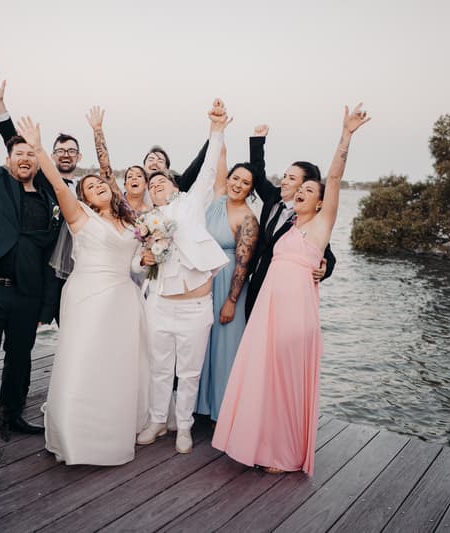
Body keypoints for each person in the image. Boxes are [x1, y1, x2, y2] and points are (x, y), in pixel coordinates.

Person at [212, 104, 371, 476]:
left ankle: (283, 453)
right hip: (266, 310)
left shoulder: (319, 227)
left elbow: (333, 178)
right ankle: (256, 441)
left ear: (319, 199)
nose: (300, 191)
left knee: (284, 382)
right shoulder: (286, 222)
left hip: (293, 316)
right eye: (299, 187)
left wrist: (346, 135)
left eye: (310, 189)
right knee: (261, 378)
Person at [15, 115, 149, 466]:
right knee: (83, 359)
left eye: (100, 184)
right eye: (90, 186)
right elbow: (59, 187)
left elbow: (135, 266)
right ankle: (73, 436)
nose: (98, 186)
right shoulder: (81, 218)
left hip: (123, 299)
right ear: (84, 198)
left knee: (114, 366)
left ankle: (108, 433)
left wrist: (149, 257)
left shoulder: (129, 222)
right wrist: (41, 148)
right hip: (88, 294)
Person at [0, 57, 62, 441]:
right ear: (8, 159)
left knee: (20, 359)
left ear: (38, 162)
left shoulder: (49, 195)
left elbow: (52, 254)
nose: (25, 159)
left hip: (26, 293)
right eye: (17, 154)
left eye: (31, 155)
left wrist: (44, 304)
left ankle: (11, 416)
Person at [135, 100, 230, 454]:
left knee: (188, 373)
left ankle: (184, 427)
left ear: (174, 186)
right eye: (152, 183)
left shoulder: (191, 204)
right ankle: (158, 420)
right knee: (159, 368)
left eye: (162, 180)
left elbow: (207, 169)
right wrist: (143, 259)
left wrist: (216, 130)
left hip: (194, 308)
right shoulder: (144, 222)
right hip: (158, 305)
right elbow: (136, 267)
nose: (157, 184)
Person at [0, 73, 82, 285]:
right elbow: (13, 143)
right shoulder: (44, 182)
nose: (66, 154)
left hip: (83, 266)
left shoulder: (88, 188)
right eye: (60, 150)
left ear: (79, 156)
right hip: (47, 266)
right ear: (51, 156)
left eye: (71, 150)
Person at [195, 119, 261, 422]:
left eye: (245, 183)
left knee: (225, 350)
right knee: (201, 344)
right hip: (202, 280)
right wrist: (219, 128)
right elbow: (219, 159)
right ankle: (200, 406)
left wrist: (232, 301)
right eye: (236, 178)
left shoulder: (248, 219)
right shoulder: (219, 197)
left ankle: (225, 413)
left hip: (228, 285)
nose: (237, 184)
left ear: (251, 189)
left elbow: (244, 266)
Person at [244, 125, 336, 320]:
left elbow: (324, 250)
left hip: (283, 291)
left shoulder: (309, 218)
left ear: (305, 185)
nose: (284, 181)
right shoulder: (273, 197)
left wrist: (326, 268)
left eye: (291, 178)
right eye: (285, 176)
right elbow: (258, 172)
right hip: (256, 282)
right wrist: (258, 139)